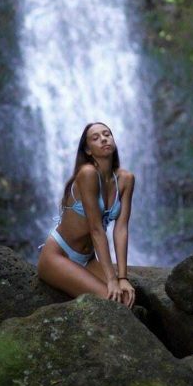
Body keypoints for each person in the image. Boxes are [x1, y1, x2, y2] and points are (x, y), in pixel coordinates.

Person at [37, 121, 136, 308]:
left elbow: (121, 229)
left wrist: (122, 277)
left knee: (128, 299)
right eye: (95, 138)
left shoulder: (126, 179)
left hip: (88, 258)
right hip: (59, 255)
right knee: (112, 303)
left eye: (107, 134)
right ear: (88, 150)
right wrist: (111, 279)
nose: (104, 139)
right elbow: (96, 229)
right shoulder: (87, 173)